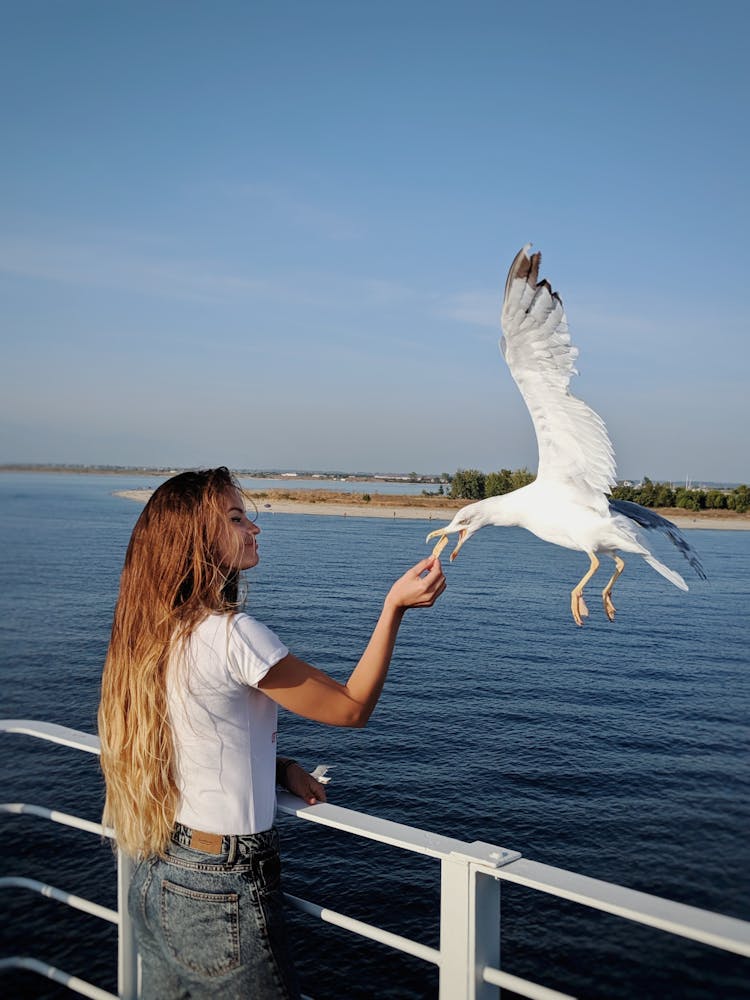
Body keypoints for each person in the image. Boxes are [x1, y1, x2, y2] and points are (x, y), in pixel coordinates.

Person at [97, 467, 445, 999]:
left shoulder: (150, 630)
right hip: (222, 883)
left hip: (158, 868)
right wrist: (393, 608)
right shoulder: (233, 634)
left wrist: (280, 769)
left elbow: (194, 734)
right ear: (194, 539)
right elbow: (352, 709)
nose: (254, 529)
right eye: (236, 518)